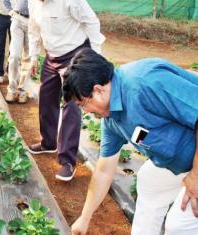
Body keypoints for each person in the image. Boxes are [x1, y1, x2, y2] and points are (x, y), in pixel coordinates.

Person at [63, 49, 198, 235]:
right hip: (187, 159)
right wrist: (84, 218)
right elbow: (103, 171)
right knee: (149, 181)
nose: (85, 111)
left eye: (83, 104)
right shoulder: (111, 119)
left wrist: (196, 175)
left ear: (98, 90)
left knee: (179, 226)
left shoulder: (145, 82)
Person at [22, 0, 105, 181]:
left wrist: (92, 57)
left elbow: (92, 23)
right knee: (46, 97)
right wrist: (33, 56)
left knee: (71, 104)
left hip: (75, 52)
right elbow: (33, 28)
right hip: (52, 54)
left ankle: (67, 160)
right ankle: (48, 142)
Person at [2, 0, 35, 103]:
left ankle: (22, 90)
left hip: (33, 22)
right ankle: (11, 89)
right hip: (18, 19)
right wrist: (10, 11)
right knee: (14, 56)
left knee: (27, 58)